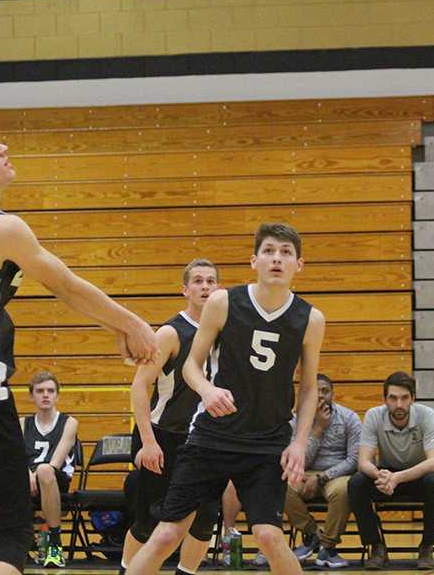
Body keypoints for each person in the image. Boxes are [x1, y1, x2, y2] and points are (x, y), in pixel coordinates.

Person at [0, 116, 157, 575]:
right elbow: (66, 284)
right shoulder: (1, 228)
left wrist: (116, 326)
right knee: (16, 530)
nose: (1, 147)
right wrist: (133, 324)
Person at [127, 223, 325, 575]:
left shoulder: (310, 318)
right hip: (212, 438)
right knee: (165, 534)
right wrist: (207, 390)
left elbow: (309, 388)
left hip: (266, 442)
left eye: (285, 253)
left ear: (300, 264)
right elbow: (191, 365)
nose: (276, 259)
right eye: (268, 251)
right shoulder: (224, 302)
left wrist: (299, 443)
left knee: (269, 537)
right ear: (254, 260)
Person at [119, 259, 221, 575]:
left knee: (206, 516)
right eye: (198, 281)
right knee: (152, 520)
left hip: (206, 437)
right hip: (165, 435)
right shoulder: (170, 333)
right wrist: (148, 442)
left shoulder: (224, 331)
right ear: (185, 289)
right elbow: (139, 386)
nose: (205, 287)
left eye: (211, 281)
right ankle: (127, 570)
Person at [347, 371, 434, 571]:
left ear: (413, 399)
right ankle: (377, 547)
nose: (399, 404)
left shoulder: (427, 415)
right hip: (386, 478)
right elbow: (363, 462)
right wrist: (381, 476)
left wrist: (397, 478)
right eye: (393, 398)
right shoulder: (374, 415)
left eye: (404, 398)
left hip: (417, 476)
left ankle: (427, 547)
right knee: (356, 483)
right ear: (385, 400)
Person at [286, 373, 360, 568]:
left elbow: (354, 459)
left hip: (336, 476)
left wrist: (322, 477)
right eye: (316, 391)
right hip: (304, 473)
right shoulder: (294, 421)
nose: (320, 396)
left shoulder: (349, 418)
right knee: (279, 483)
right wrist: (318, 428)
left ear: (332, 395)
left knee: (345, 489)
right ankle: (312, 535)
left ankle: (327, 547)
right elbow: (296, 459)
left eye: (325, 391)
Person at [23, 371, 78, 568]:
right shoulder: (23, 424)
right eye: (40, 391)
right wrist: (27, 473)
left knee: (46, 470)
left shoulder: (69, 422)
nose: (45, 395)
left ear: (57, 396)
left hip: (56, 480)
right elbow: (17, 458)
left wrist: (36, 472)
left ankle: (55, 543)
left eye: (50, 391)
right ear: (31, 396)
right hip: (27, 482)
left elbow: (56, 462)